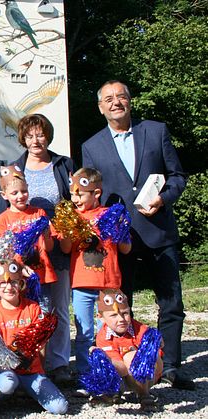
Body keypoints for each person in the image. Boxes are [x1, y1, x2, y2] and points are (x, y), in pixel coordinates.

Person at [81, 80, 192, 390]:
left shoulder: (156, 131)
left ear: (129, 101)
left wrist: (164, 198)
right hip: (120, 240)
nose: (116, 102)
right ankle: (126, 364)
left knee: (171, 303)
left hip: (159, 230)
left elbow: (178, 176)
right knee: (119, 303)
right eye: (109, 99)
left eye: (121, 96)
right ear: (101, 107)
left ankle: (170, 365)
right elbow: (93, 196)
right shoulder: (91, 146)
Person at [10, 113, 76, 385]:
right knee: (33, 307)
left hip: (58, 243)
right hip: (28, 251)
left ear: (47, 136)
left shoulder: (63, 164)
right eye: (30, 136)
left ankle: (59, 363)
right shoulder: (15, 167)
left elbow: (73, 201)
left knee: (59, 306)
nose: (35, 140)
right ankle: (35, 361)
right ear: (23, 139)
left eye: (40, 134)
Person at [59, 169, 131, 379]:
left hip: (108, 284)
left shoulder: (110, 214)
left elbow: (126, 249)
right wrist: (68, 230)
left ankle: (109, 371)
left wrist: (120, 231)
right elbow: (64, 249)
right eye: (72, 194)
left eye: (80, 194)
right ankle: (85, 372)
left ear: (96, 193)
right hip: (82, 284)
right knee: (84, 332)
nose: (75, 199)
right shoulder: (73, 216)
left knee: (107, 331)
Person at [0, 259, 68, 415]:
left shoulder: (33, 308)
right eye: (2, 283)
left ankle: (27, 390)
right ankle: (4, 397)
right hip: (5, 370)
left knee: (60, 408)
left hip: (31, 371)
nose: (8, 287)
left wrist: (41, 372)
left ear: (20, 283)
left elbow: (41, 344)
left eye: (13, 282)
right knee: (7, 384)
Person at [93, 289, 162, 411]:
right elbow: (122, 369)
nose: (121, 319)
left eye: (125, 313)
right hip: (123, 373)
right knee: (100, 359)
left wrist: (154, 340)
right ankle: (113, 392)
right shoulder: (102, 336)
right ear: (101, 318)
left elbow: (161, 344)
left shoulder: (140, 328)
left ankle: (144, 394)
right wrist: (102, 359)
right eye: (113, 315)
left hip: (148, 373)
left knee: (131, 356)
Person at [0, 165, 56, 290]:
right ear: (4, 195)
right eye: (14, 193)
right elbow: (2, 254)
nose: (20, 196)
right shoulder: (2, 220)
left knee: (44, 308)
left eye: (24, 191)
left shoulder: (39, 213)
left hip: (41, 274)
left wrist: (47, 235)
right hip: (16, 277)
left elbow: (48, 247)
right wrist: (20, 267)